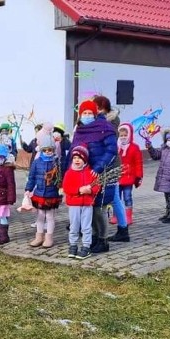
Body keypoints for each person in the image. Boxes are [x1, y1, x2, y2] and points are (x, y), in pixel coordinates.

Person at [71, 100, 120, 253]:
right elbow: (74, 151)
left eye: (89, 113)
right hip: (85, 174)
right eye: (84, 113)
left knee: (100, 208)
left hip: (103, 172)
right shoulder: (80, 130)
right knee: (89, 207)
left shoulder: (105, 127)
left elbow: (111, 150)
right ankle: (93, 238)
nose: (86, 116)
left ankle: (103, 240)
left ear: (95, 113)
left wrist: (99, 167)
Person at [92, 96, 130, 243]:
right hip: (107, 164)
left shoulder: (110, 123)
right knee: (114, 199)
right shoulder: (106, 122)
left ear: (102, 108)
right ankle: (123, 228)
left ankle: (123, 229)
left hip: (111, 165)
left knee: (114, 198)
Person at [24, 124, 62, 248]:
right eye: (44, 150)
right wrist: (28, 189)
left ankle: (49, 237)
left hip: (52, 194)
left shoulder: (56, 162)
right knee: (40, 216)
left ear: (53, 149)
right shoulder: (36, 162)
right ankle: (39, 236)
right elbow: (32, 177)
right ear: (41, 150)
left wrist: (61, 188)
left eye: (49, 150)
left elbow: (60, 179)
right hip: (39, 193)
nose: (47, 152)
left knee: (50, 216)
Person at [63, 146, 99, 259]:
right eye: (75, 158)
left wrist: (91, 190)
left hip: (87, 204)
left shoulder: (90, 172)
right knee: (74, 226)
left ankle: (86, 247)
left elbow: (97, 185)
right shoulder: (69, 173)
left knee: (86, 227)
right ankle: (73, 245)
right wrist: (79, 190)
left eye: (79, 158)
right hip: (74, 204)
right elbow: (66, 188)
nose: (77, 160)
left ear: (85, 159)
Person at [114, 123, 144, 225]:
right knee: (116, 198)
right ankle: (116, 216)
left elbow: (138, 163)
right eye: (121, 135)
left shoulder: (134, 147)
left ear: (130, 135)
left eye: (125, 135)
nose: (123, 137)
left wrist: (138, 176)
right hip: (116, 178)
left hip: (128, 178)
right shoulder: (116, 147)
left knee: (127, 197)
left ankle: (128, 216)